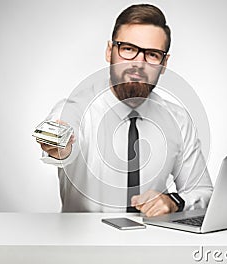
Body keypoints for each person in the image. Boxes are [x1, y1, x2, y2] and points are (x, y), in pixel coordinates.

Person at [38, 4, 213, 217]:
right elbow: (61, 134)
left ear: (164, 63)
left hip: (154, 242)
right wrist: (58, 144)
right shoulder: (76, 108)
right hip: (85, 245)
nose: (139, 63)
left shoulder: (178, 119)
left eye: (152, 54)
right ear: (110, 51)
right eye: (128, 49)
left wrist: (174, 201)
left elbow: (203, 192)